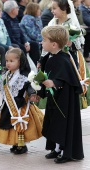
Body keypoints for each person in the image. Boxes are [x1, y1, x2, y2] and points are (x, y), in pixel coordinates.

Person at [38, 25, 84, 163]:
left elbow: (66, 79)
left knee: (62, 124)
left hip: (65, 101)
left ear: (54, 44)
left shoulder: (64, 59)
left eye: (44, 40)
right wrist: (40, 93)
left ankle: (65, 151)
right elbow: (46, 76)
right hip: (54, 99)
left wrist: (55, 83)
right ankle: (56, 148)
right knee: (53, 122)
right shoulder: (50, 57)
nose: (41, 42)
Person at [0, 48, 44, 154]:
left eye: (12, 61)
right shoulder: (6, 75)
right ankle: (15, 143)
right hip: (9, 105)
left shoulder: (24, 76)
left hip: (22, 105)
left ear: (20, 61)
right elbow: (1, 87)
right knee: (11, 125)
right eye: (7, 61)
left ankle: (22, 145)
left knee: (21, 124)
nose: (8, 63)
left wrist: (32, 94)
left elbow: (29, 86)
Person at [2, 0, 41, 66]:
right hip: (13, 43)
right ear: (12, 10)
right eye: (17, 8)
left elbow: (21, 32)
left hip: (19, 41)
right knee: (21, 47)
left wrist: (26, 42)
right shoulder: (5, 20)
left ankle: (36, 67)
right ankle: (25, 68)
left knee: (34, 45)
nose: (18, 9)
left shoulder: (14, 18)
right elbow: (10, 36)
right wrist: (22, 44)